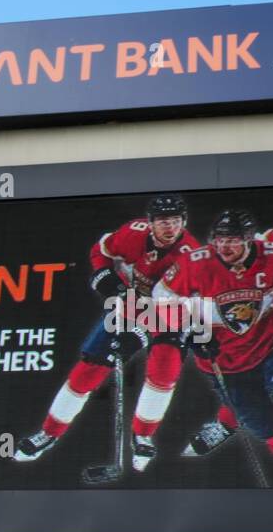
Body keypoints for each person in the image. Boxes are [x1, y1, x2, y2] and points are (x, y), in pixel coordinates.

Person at [13, 194, 198, 468]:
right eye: (162, 222)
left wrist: (136, 326)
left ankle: (143, 438)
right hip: (130, 305)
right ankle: (48, 433)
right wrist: (103, 275)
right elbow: (101, 251)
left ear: (183, 223)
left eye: (175, 221)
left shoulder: (189, 257)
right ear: (149, 223)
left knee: (164, 369)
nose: (169, 227)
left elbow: (173, 312)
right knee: (89, 369)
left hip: (172, 316)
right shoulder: (131, 234)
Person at [156, 208, 273, 487]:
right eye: (219, 239)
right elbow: (162, 296)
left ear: (250, 239)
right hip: (226, 364)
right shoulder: (196, 263)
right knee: (271, 431)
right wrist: (189, 329)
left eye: (233, 240)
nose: (224, 246)